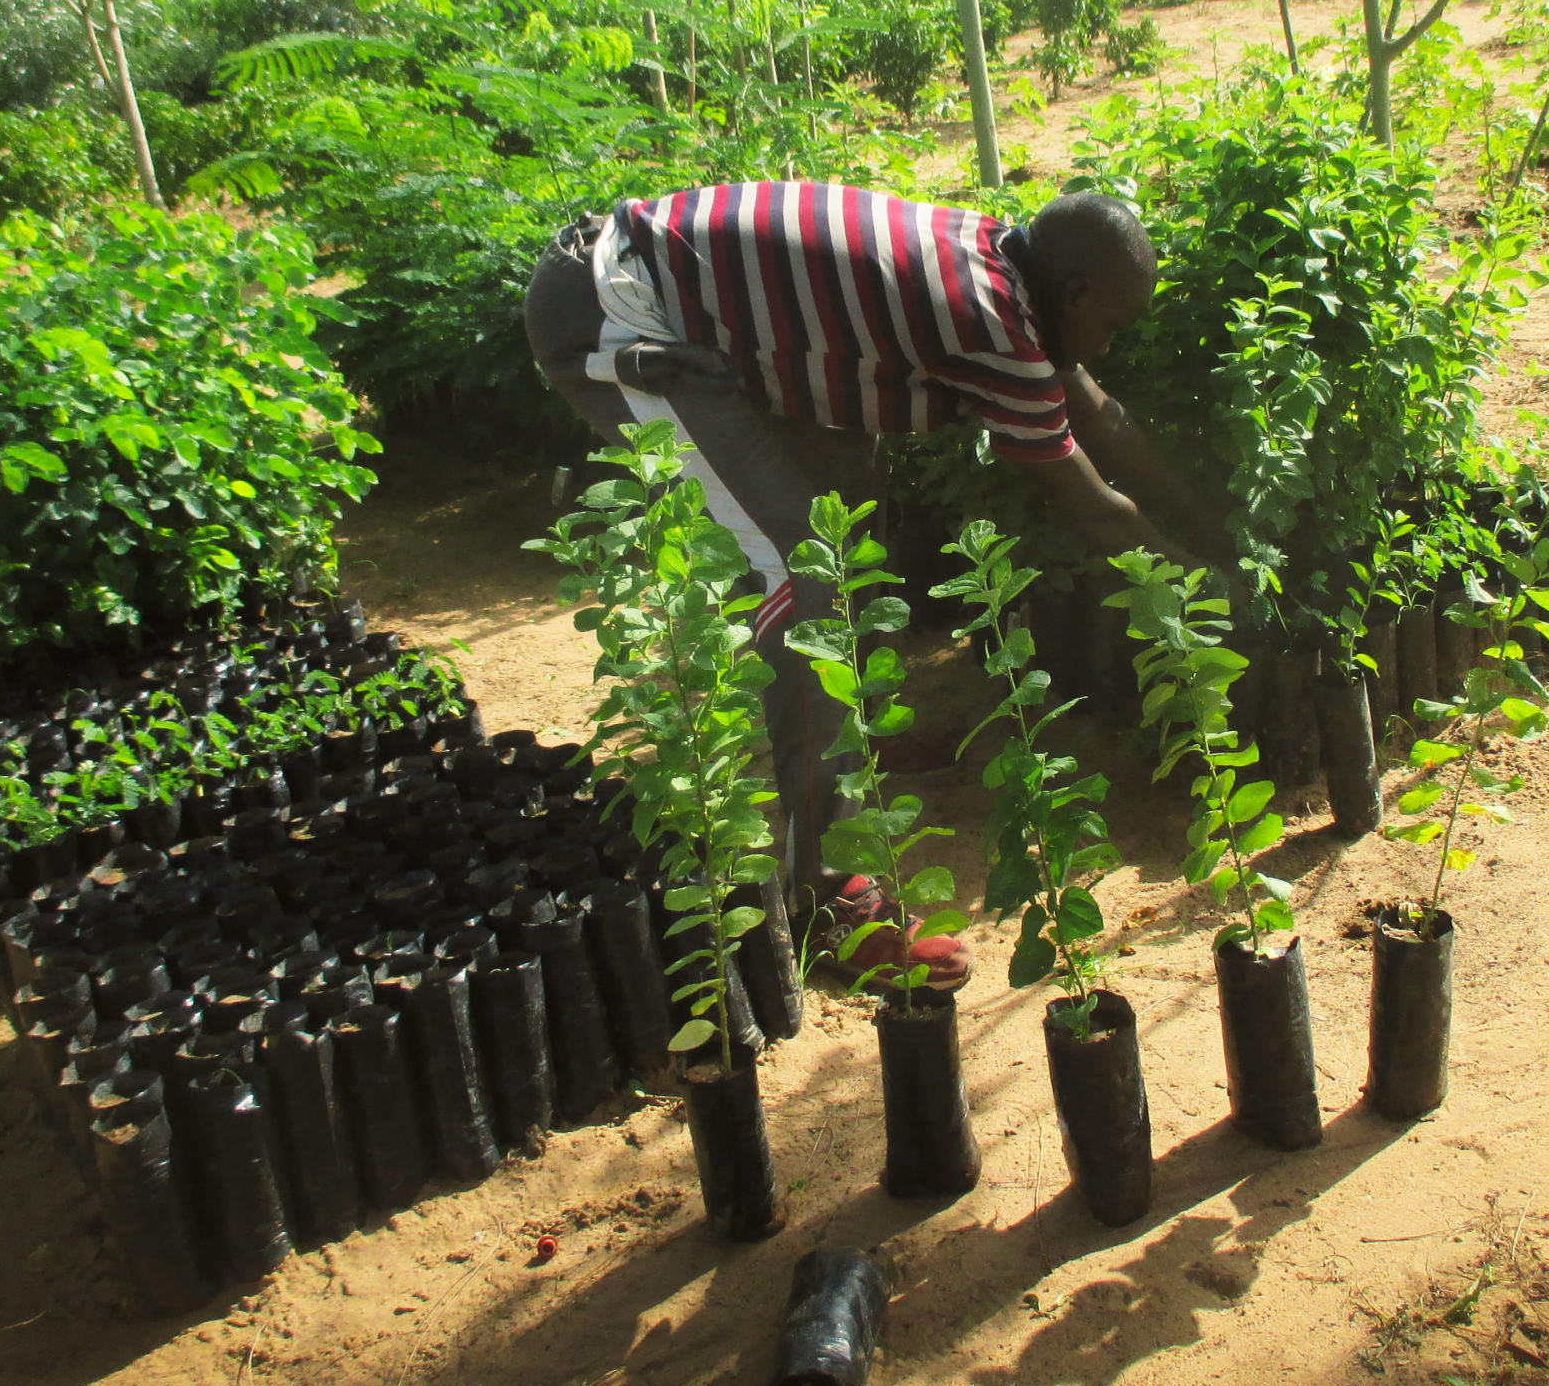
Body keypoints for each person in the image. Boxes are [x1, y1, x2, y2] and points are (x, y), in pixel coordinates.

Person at [525, 179, 1225, 986]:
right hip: (619, 310)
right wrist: (1207, 584)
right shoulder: (993, 322)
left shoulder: (1002, 260)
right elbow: (1098, 511)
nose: (1107, 347)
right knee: (799, 569)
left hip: (672, 293)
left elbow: (1104, 418)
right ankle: (828, 896)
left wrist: (1211, 523)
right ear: (1074, 292)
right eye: (1111, 326)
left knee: (846, 491)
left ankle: (842, 736)